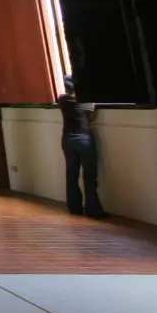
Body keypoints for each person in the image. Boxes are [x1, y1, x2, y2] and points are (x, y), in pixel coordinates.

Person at [57, 75, 107, 218]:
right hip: (84, 138)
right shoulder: (86, 101)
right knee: (89, 176)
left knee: (71, 174)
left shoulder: (62, 100)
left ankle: (74, 207)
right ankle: (93, 209)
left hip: (67, 139)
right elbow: (91, 117)